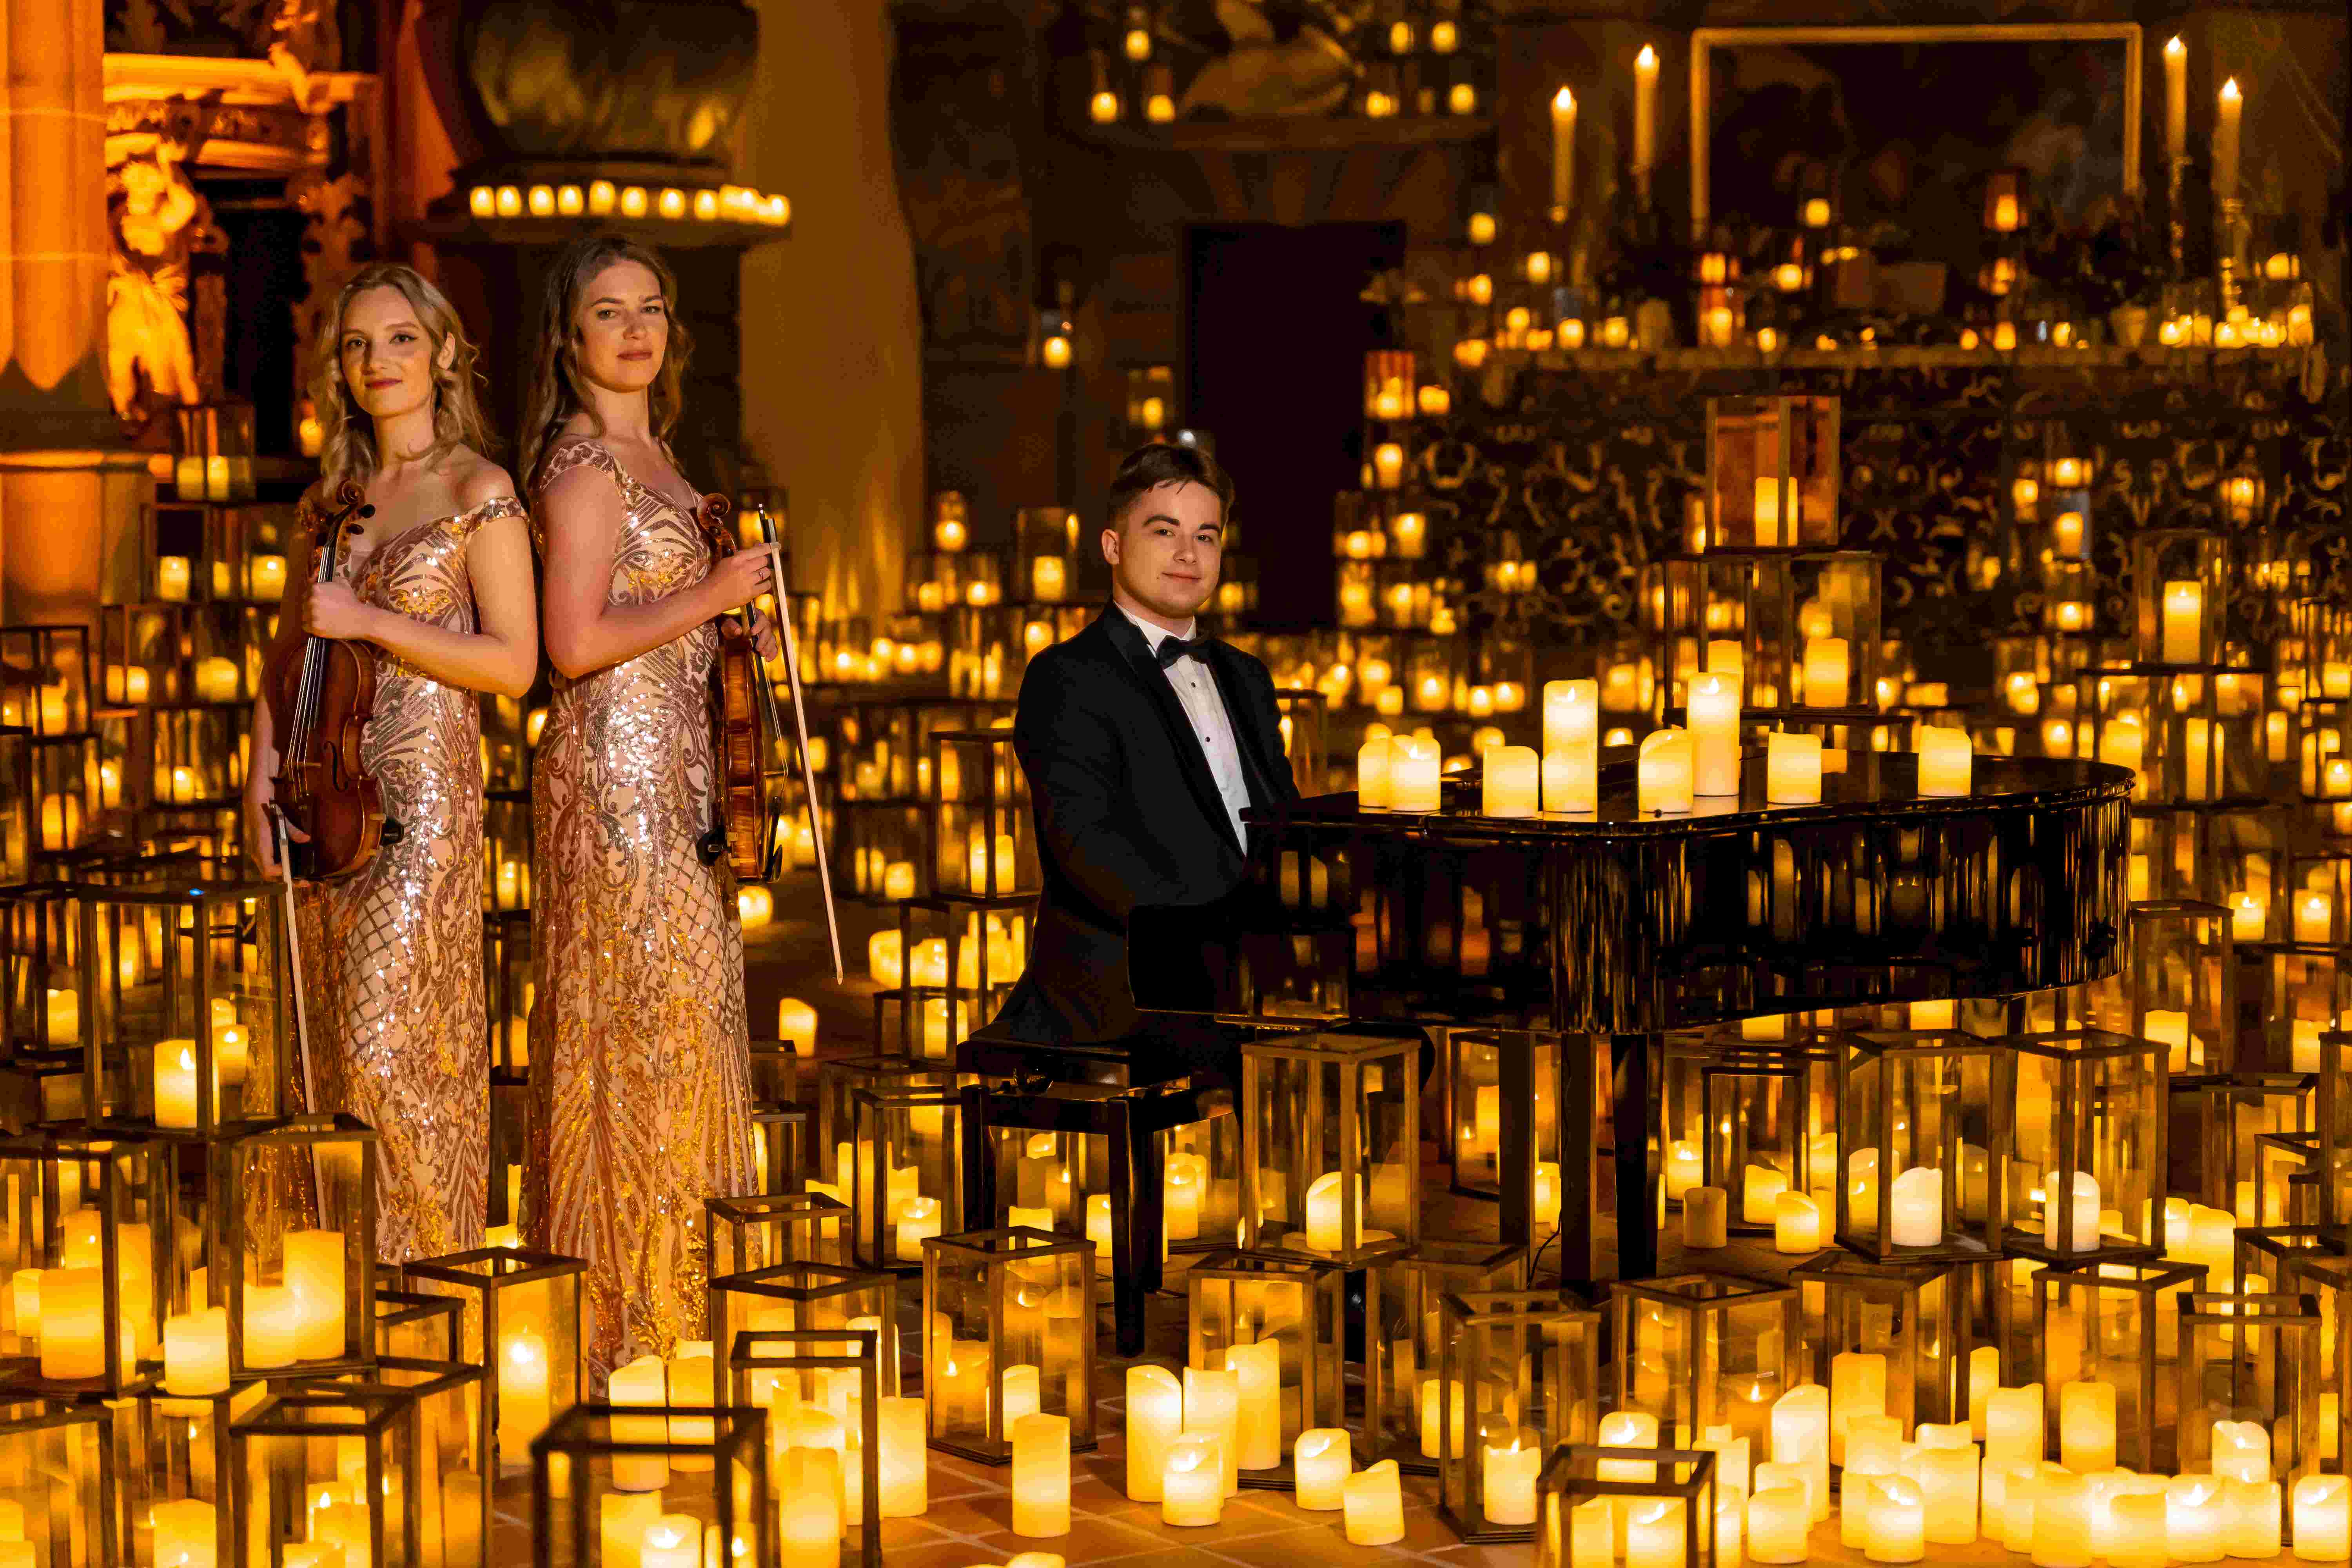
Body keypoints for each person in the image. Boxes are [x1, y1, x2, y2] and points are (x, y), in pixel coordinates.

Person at [245, 262, 537, 1263]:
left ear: (445, 352)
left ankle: (420, 1275)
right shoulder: (329, 499)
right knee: (321, 1053)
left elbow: (514, 664)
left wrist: (369, 620)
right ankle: (335, 1285)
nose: (380, 361)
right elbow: (286, 657)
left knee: (384, 1050)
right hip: (316, 794)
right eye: (359, 345)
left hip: (422, 810)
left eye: (402, 338)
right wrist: (258, 783)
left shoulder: (478, 490)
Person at [519, 233, 771, 1383]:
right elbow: (572, 646)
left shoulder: (663, 459)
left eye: (652, 308)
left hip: (680, 777)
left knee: (687, 1024)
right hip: (614, 782)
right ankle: (631, 1320)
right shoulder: (584, 469)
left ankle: (686, 1302)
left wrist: (738, 623)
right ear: (569, 339)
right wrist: (710, 593)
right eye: (609, 311)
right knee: (633, 1030)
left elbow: (671, 624)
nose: (635, 330)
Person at [990, 440, 1298, 1047]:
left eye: (1206, 536)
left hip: (1254, 977)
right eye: (1164, 532)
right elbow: (1091, 854)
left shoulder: (1247, 676)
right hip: (1132, 987)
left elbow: (1284, 825)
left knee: (1396, 1045)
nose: (1188, 554)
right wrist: (1228, 936)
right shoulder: (1068, 676)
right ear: (1112, 547)